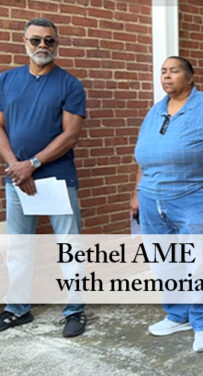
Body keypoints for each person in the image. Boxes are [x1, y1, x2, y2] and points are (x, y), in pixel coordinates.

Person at [131, 56, 203, 353]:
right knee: (165, 260)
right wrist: (137, 192)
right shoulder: (156, 111)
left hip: (197, 197)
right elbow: (143, 154)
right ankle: (178, 314)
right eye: (163, 71)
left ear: (190, 77)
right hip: (154, 198)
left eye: (174, 71)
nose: (167, 76)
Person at [0, 18, 87, 338]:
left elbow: (71, 134)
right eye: (36, 40)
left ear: (57, 44)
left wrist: (31, 164)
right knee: (19, 247)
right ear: (24, 42)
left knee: (70, 245)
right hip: (16, 179)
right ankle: (18, 308)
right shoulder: (5, 81)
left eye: (49, 41)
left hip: (57, 178)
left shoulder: (70, 85)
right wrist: (15, 167)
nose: (42, 46)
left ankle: (75, 309)